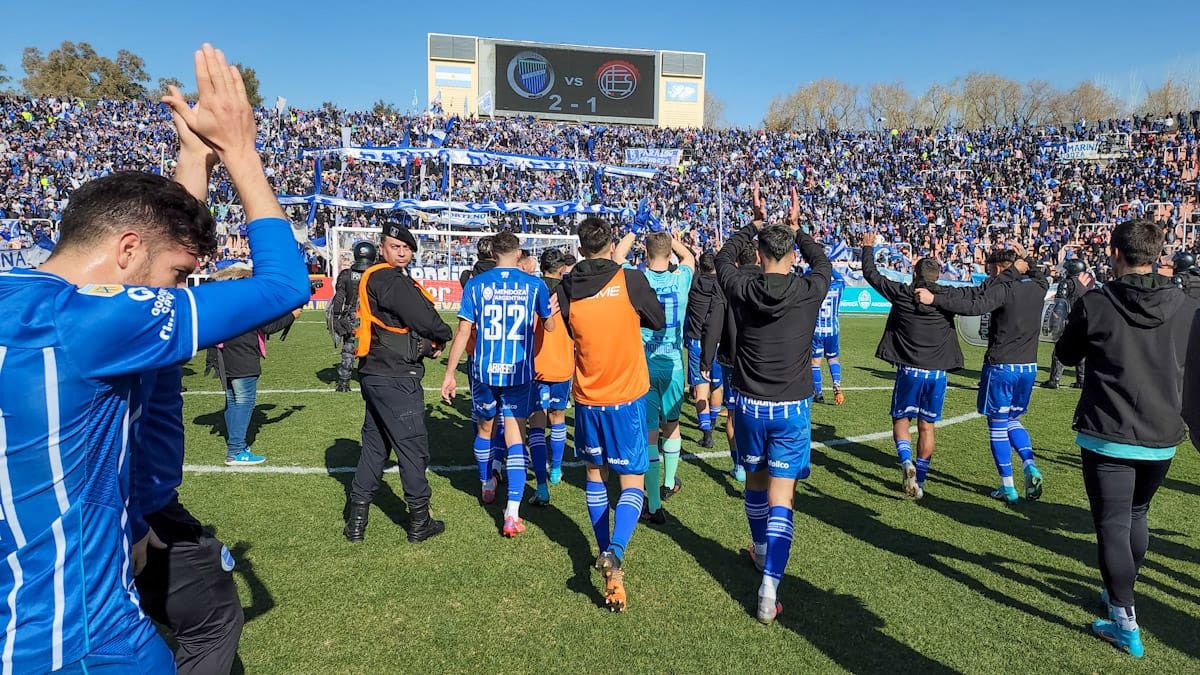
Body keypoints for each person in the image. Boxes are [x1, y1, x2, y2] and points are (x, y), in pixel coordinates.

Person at [0, 44, 310, 671]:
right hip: (78, 643)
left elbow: (158, 243)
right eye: (177, 274)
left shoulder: (16, 292)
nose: (173, 291)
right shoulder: (91, 322)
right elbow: (284, 285)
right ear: (127, 250)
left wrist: (192, 160)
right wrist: (240, 154)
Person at [1054, 219, 1196, 658]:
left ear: (1116, 253)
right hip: (1161, 433)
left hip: (1109, 432)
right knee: (1136, 515)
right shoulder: (1186, 305)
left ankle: (1123, 617)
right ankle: (1119, 594)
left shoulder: (1096, 302)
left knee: (1115, 523)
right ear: (1157, 255)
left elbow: (1065, 354)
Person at [715, 196, 830, 625]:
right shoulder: (808, 289)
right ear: (791, 255)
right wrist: (797, 228)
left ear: (759, 255)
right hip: (790, 408)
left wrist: (753, 222)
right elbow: (823, 264)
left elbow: (725, 256)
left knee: (756, 484)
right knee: (782, 497)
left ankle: (760, 548)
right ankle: (769, 584)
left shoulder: (742, 285)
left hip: (747, 405)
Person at [554, 217, 665, 611]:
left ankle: (605, 554)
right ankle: (615, 551)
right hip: (626, 397)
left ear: (580, 249)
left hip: (587, 399)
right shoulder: (631, 280)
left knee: (595, 476)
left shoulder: (567, 286)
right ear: (611, 243)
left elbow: (565, 326)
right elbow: (658, 319)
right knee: (632, 481)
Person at [343, 222, 452, 543]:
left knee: (375, 448)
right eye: (395, 246)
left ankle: (356, 523)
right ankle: (420, 521)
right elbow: (423, 316)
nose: (401, 252)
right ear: (382, 247)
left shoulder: (378, 276)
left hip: (375, 372)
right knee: (413, 448)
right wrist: (441, 335)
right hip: (395, 377)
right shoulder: (387, 277)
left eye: (406, 247)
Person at [441, 231, 553, 537]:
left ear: (492, 254)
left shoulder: (477, 284)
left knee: (485, 429)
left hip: (484, 371)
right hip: (518, 372)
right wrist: (550, 315)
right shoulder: (535, 285)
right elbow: (550, 324)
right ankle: (511, 514)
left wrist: (450, 373)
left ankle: (487, 483)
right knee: (516, 438)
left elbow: (464, 331)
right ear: (517, 254)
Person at [916, 248, 1049, 502]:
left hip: (1001, 366)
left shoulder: (1003, 289)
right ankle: (1029, 463)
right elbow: (1042, 277)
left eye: (989, 271)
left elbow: (973, 305)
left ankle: (1008, 486)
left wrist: (934, 300)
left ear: (998, 268)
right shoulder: (1038, 288)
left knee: (997, 425)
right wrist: (1028, 261)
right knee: (1014, 420)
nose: (987, 276)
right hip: (1028, 367)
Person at [861, 231, 963, 499]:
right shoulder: (947, 300)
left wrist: (868, 247)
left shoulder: (902, 293)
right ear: (937, 277)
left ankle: (906, 462)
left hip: (910, 369)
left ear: (914, 274)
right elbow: (974, 301)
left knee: (901, 419)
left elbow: (872, 276)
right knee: (927, 426)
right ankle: (921, 480)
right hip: (937, 373)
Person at [614, 228, 695, 524]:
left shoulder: (638, 279)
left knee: (649, 433)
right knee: (671, 425)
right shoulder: (680, 278)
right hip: (674, 362)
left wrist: (636, 231)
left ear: (646, 254)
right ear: (669, 252)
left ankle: (655, 504)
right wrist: (670, 239)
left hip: (645, 362)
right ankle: (669, 482)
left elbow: (618, 255)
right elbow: (688, 256)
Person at [204, 264, 301, 466]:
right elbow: (269, 325)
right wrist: (293, 315)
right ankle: (236, 450)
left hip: (225, 354)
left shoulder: (227, 300)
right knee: (244, 401)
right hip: (243, 355)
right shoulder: (249, 301)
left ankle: (236, 445)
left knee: (233, 400)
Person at [529, 249, 573, 490]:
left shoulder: (531, 287)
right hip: (561, 363)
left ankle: (542, 484)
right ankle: (556, 468)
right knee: (557, 417)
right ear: (561, 269)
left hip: (535, 365)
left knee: (537, 421)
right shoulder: (569, 292)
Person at [685, 252, 723, 449]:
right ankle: (713, 420)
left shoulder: (694, 283)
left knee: (701, 390)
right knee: (717, 385)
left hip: (696, 340)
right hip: (717, 341)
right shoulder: (722, 285)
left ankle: (707, 432)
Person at [330, 241, 378, 392]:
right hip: (372, 316)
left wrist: (337, 318)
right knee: (375, 348)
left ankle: (344, 383)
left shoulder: (346, 274)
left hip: (351, 316)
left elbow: (339, 298)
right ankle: (372, 380)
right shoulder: (377, 274)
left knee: (348, 349)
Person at [1043, 259, 1088, 389]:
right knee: (1081, 352)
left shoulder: (1066, 283)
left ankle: (1054, 380)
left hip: (1068, 320)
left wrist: (1056, 321)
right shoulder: (1084, 285)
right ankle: (1081, 380)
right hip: (1082, 322)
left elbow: (1061, 304)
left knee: (1059, 351)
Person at [811, 267, 846, 405]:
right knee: (832, 359)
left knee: (815, 363)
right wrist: (828, 266)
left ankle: (818, 394)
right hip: (832, 330)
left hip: (816, 330)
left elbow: (806, 275)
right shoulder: (838, 285)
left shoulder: (814, 286)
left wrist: (815, 265)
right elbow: (840, 278)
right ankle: (836, 384)